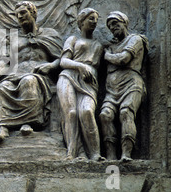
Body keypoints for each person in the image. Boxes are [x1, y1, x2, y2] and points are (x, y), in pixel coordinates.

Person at [0, 1, 62, 143]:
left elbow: (62, 58)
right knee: (1, 88)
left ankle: (28, 122)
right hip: (15, 74)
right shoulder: (13, 39)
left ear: (33, 13)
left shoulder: (50, 34)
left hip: (39, 75)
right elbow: (5, 62)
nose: (20, 16)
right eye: (17, 15)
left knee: (28, 81)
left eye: (23, 13)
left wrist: (51, 66)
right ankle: (3, 127)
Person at [99, 11, 148, 162]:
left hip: (131, 83)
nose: (113, 27)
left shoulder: (135, 39)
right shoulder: (111, 46)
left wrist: (106, 55)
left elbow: (123, 59)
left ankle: (126, 154)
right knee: (105, 116)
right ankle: (111, 155)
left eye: (115, 23)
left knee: (126, 112)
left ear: (124, 22)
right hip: (112, 89)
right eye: (110, 26)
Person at [57, 8, 104, 161]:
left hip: (89, 81)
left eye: (96, 19)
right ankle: (73, 152)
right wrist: (80, 66)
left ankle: (95, 153)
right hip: (68, 76)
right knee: (71, 113)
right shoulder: (73, 40)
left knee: (87, 112)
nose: (94, 22)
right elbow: (63, 61)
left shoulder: (99, 45)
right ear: (81, 21)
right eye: (91, 18)